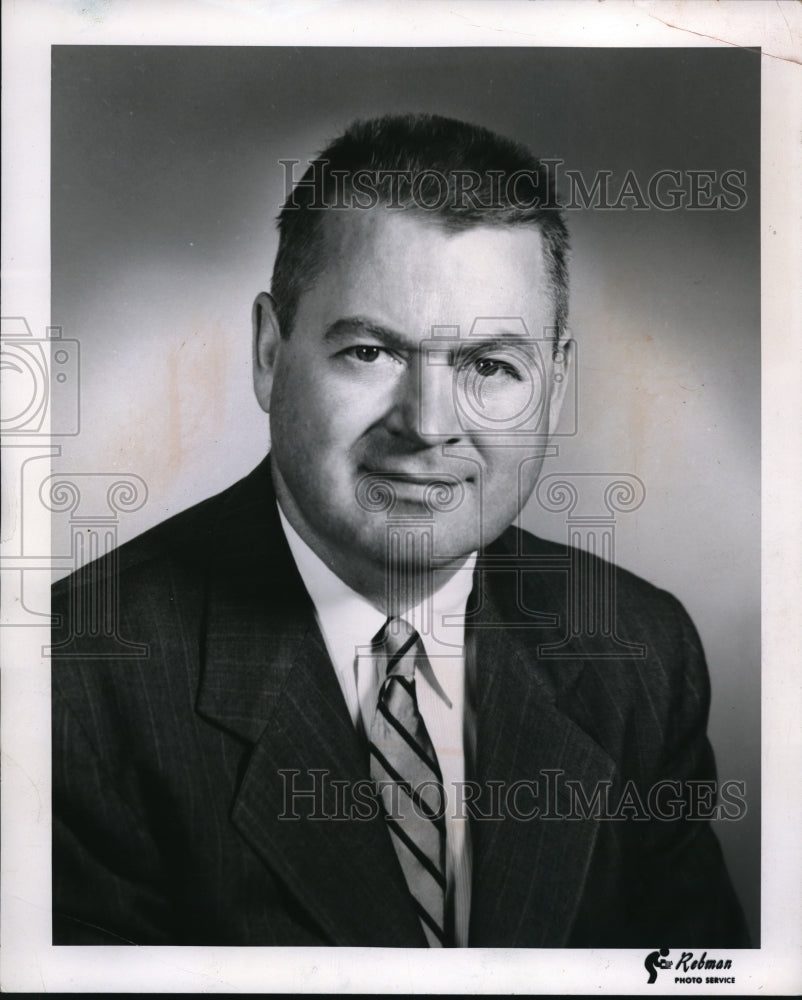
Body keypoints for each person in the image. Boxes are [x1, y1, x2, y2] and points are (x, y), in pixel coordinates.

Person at [51, 113, 748, 947]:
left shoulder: (640, 651)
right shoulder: (75, 682)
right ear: (270, 353)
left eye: (490, 366)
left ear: (556, 387)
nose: (427, 425)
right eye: (371, 353)